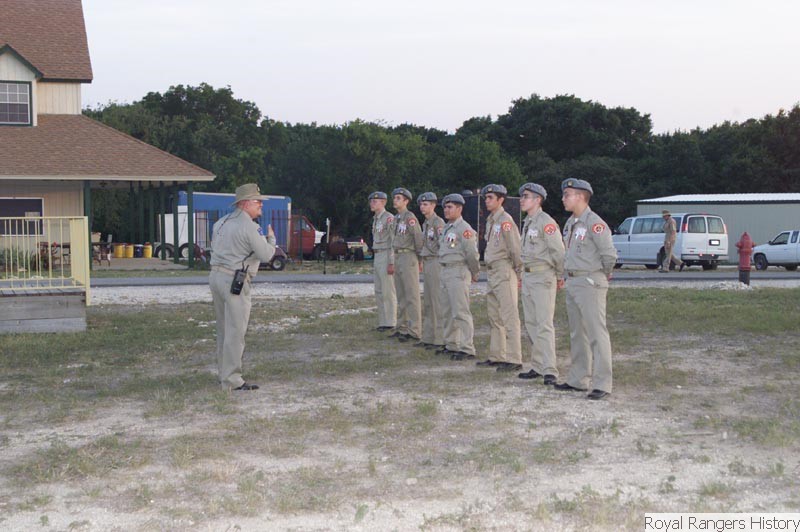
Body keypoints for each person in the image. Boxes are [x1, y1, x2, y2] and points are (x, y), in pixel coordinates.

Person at [209, 183, 276, 391]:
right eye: (258, 201)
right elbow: (266, 255)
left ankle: (224, 374)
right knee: (236, 331)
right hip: (234, 281)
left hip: (216, 276)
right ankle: (232, 380)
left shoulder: (220, 223)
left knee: (223, 328)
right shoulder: (249, 226)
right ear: (245, 203)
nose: (261, 205)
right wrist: (271, 239)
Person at [555, 178, 617, 400]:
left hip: (590, 282)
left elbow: (609, 254)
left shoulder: (594, 223)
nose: (563, 199)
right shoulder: (571, 223)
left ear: (581, 196)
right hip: (573, 281)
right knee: (577, 333)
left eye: (567, 195)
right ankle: (578, 379)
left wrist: (602, 274)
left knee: (596, 333)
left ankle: (602, 383)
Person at [516, 183, 565, 386]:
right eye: (521, 196)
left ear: (538, 200)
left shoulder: (546, 222)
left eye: (526, 196)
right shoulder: (528, 222)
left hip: (543, 277)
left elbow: (558, 251)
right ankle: (537, 366)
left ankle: (550, 369)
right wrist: (521, 275)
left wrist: (560, 275)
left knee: (544, 324)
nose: (522, 200)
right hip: (528, 276)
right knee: (531, 323)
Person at [478, 184, 523, 373]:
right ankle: (497, 355)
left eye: (490, 198)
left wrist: (519, 272)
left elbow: (515, 248)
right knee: (494, 316)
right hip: (492, 271)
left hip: (504, 270)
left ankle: (514, 358)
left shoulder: (506, 221)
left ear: (500, 200)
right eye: (486, 198)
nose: (487, 201)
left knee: (509, 315)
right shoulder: (491, 220)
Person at [437, 193, 480, 361]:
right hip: (445, 270)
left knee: (460, 311)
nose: (446, 210)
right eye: (445, 207)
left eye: (450, 207)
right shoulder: (447, 227)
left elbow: (472, 253)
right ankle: (451, 343)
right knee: (447, 310)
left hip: (458, 270)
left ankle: (467, 347)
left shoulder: (464, 229)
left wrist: (474, 271)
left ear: (459, 208)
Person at [390, 187, 423, 342]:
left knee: (412, 295)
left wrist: (419, 258)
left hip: (408, 256)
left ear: (406, 201)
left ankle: (415, 330)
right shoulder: (396, 218)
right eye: (394, 198)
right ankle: (402, 326)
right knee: (401, 294)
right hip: (398, 255)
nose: (395, 201)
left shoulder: (410, 218)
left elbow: (418, 237)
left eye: (398, 198)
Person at [417, 192, 446, 350]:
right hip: (427, 261)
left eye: (426, 204)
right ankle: (428, 336)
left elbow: (442, 244)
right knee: (428, 301)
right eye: (421, 204)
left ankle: (439, 338)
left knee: (436, 301)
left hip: (435, 261)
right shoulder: (426, 223)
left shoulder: (438, 222)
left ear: (434, 205)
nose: (422, 207)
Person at [369, 191, 397, 331]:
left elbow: (393, 241)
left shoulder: (389, 218)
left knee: (388, 291)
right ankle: (383, 321)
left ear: (383, 202)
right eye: (371, 201)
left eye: (375, 201)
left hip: (386, 254)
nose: (372, 204)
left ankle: (390, 322)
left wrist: (391, 262)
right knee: (379, 290)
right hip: (378, 254)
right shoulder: (376, 219)